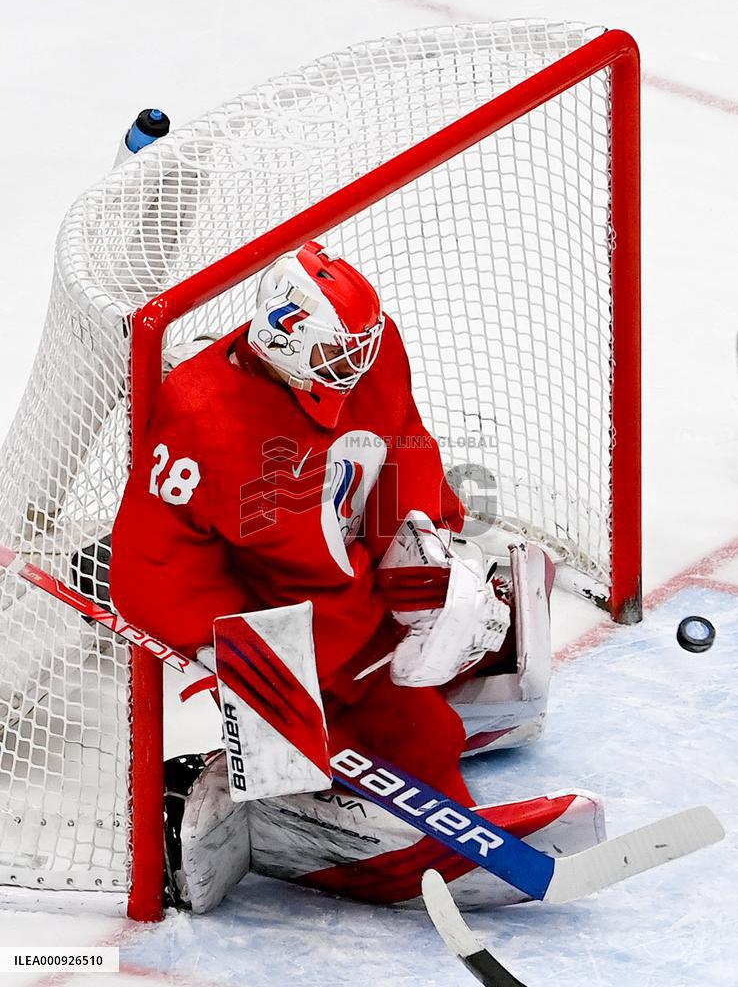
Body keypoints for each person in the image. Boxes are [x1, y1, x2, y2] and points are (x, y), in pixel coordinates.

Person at [111, 241, 600, 912]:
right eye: (336, 354)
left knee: (480, 643)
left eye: (361, 349)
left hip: (358, 591)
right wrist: (229, 647)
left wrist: (427, 547)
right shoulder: (200, 415)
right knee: (401, 738)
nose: (355, 366)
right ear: (280, 338)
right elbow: (154, 562)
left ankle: (449, 725)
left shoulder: (372, 355)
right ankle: (352, 847)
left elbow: (403, 443)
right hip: (288, 626)